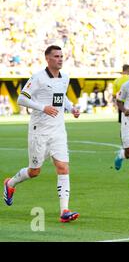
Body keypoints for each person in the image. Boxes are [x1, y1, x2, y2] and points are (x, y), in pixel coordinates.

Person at [3, 45, 80, 223]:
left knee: (63, 167)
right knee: (35, 171)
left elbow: (62, 97)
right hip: (39, 131)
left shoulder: (65, 78)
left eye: (61, 56)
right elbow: (22, 98)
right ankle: (10, 183)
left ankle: (64, 210)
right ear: (47, 59)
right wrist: (42, 107)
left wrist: (71, 108)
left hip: (59, 130)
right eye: (56, 56)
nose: (60, 59)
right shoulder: (38, 77)